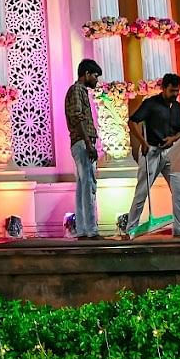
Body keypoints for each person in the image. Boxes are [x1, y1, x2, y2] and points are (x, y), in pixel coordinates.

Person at [123, 73, 180, 238]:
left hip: (172, 151)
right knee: (142, 192)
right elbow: (132, 121)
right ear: (163, 88)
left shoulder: (177, 107)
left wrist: (172, 139)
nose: (175, 94)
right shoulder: (150, 104)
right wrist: (143, 143)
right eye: (172, 91)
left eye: (177, 91)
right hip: (151, 151)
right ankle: (130, 230)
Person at [65, 59, 103, 239]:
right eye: (95, 76)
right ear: (86, 74)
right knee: (89, 185)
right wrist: (88, 143)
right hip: (82, 142)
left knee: (83, 186)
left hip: (81, 141)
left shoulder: (80, 91)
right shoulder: (77, 90)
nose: (96, 80)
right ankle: (91, 230)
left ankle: (82, 229)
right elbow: (77, 117)